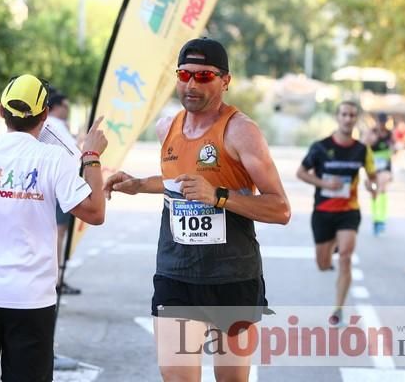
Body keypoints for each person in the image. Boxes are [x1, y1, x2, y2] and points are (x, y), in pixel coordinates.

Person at [104, 38, 290, 382]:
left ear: (225, 80)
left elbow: (280, 209)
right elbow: (181, 181)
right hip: (176, 273)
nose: (191, 84)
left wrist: (219, 196)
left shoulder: (241, 131)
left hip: (232, 277)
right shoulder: (167, 128)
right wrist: (140, 183)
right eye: (184, 74)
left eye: (203, 76)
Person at [0, 74, 108, 382]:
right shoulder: (53, 159)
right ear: (45, 115)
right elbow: (96, 212)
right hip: (30, 299)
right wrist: (91, 155)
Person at [296, 100, 376, 324]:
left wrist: (372, 187)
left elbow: (372, 177)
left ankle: (338, 309)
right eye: (344, 114)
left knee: (346, 257)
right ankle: (333, 245)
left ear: (356, 119)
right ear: (337, 117)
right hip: (322, 212)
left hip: (348, 211)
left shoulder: (362, 150)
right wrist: (323, 184)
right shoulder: (320, 147)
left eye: (352, 115)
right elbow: (301, 172)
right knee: (323, 264)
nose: (348, 119)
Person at [39, 88, 82, 295]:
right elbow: (75, 154)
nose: (67, 110)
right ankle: (55, 279)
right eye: (65, 106)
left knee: (57, 232)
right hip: (61, 184)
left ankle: (55, 278)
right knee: (58, 232)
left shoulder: (51, 126)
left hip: (56, 184)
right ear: (54, 107)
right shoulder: (53, 125)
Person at [364, 112, 393, 236]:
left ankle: (382, 219)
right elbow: (363, 145)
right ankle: (376, 219)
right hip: (372, 168)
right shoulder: (371, 132)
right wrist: (371, 139)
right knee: (374, 192)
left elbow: (396, 148)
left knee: (382, 189)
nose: (382, 125)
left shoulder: (390, 134)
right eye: (380, 122)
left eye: (384, 122)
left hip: (385, 168)